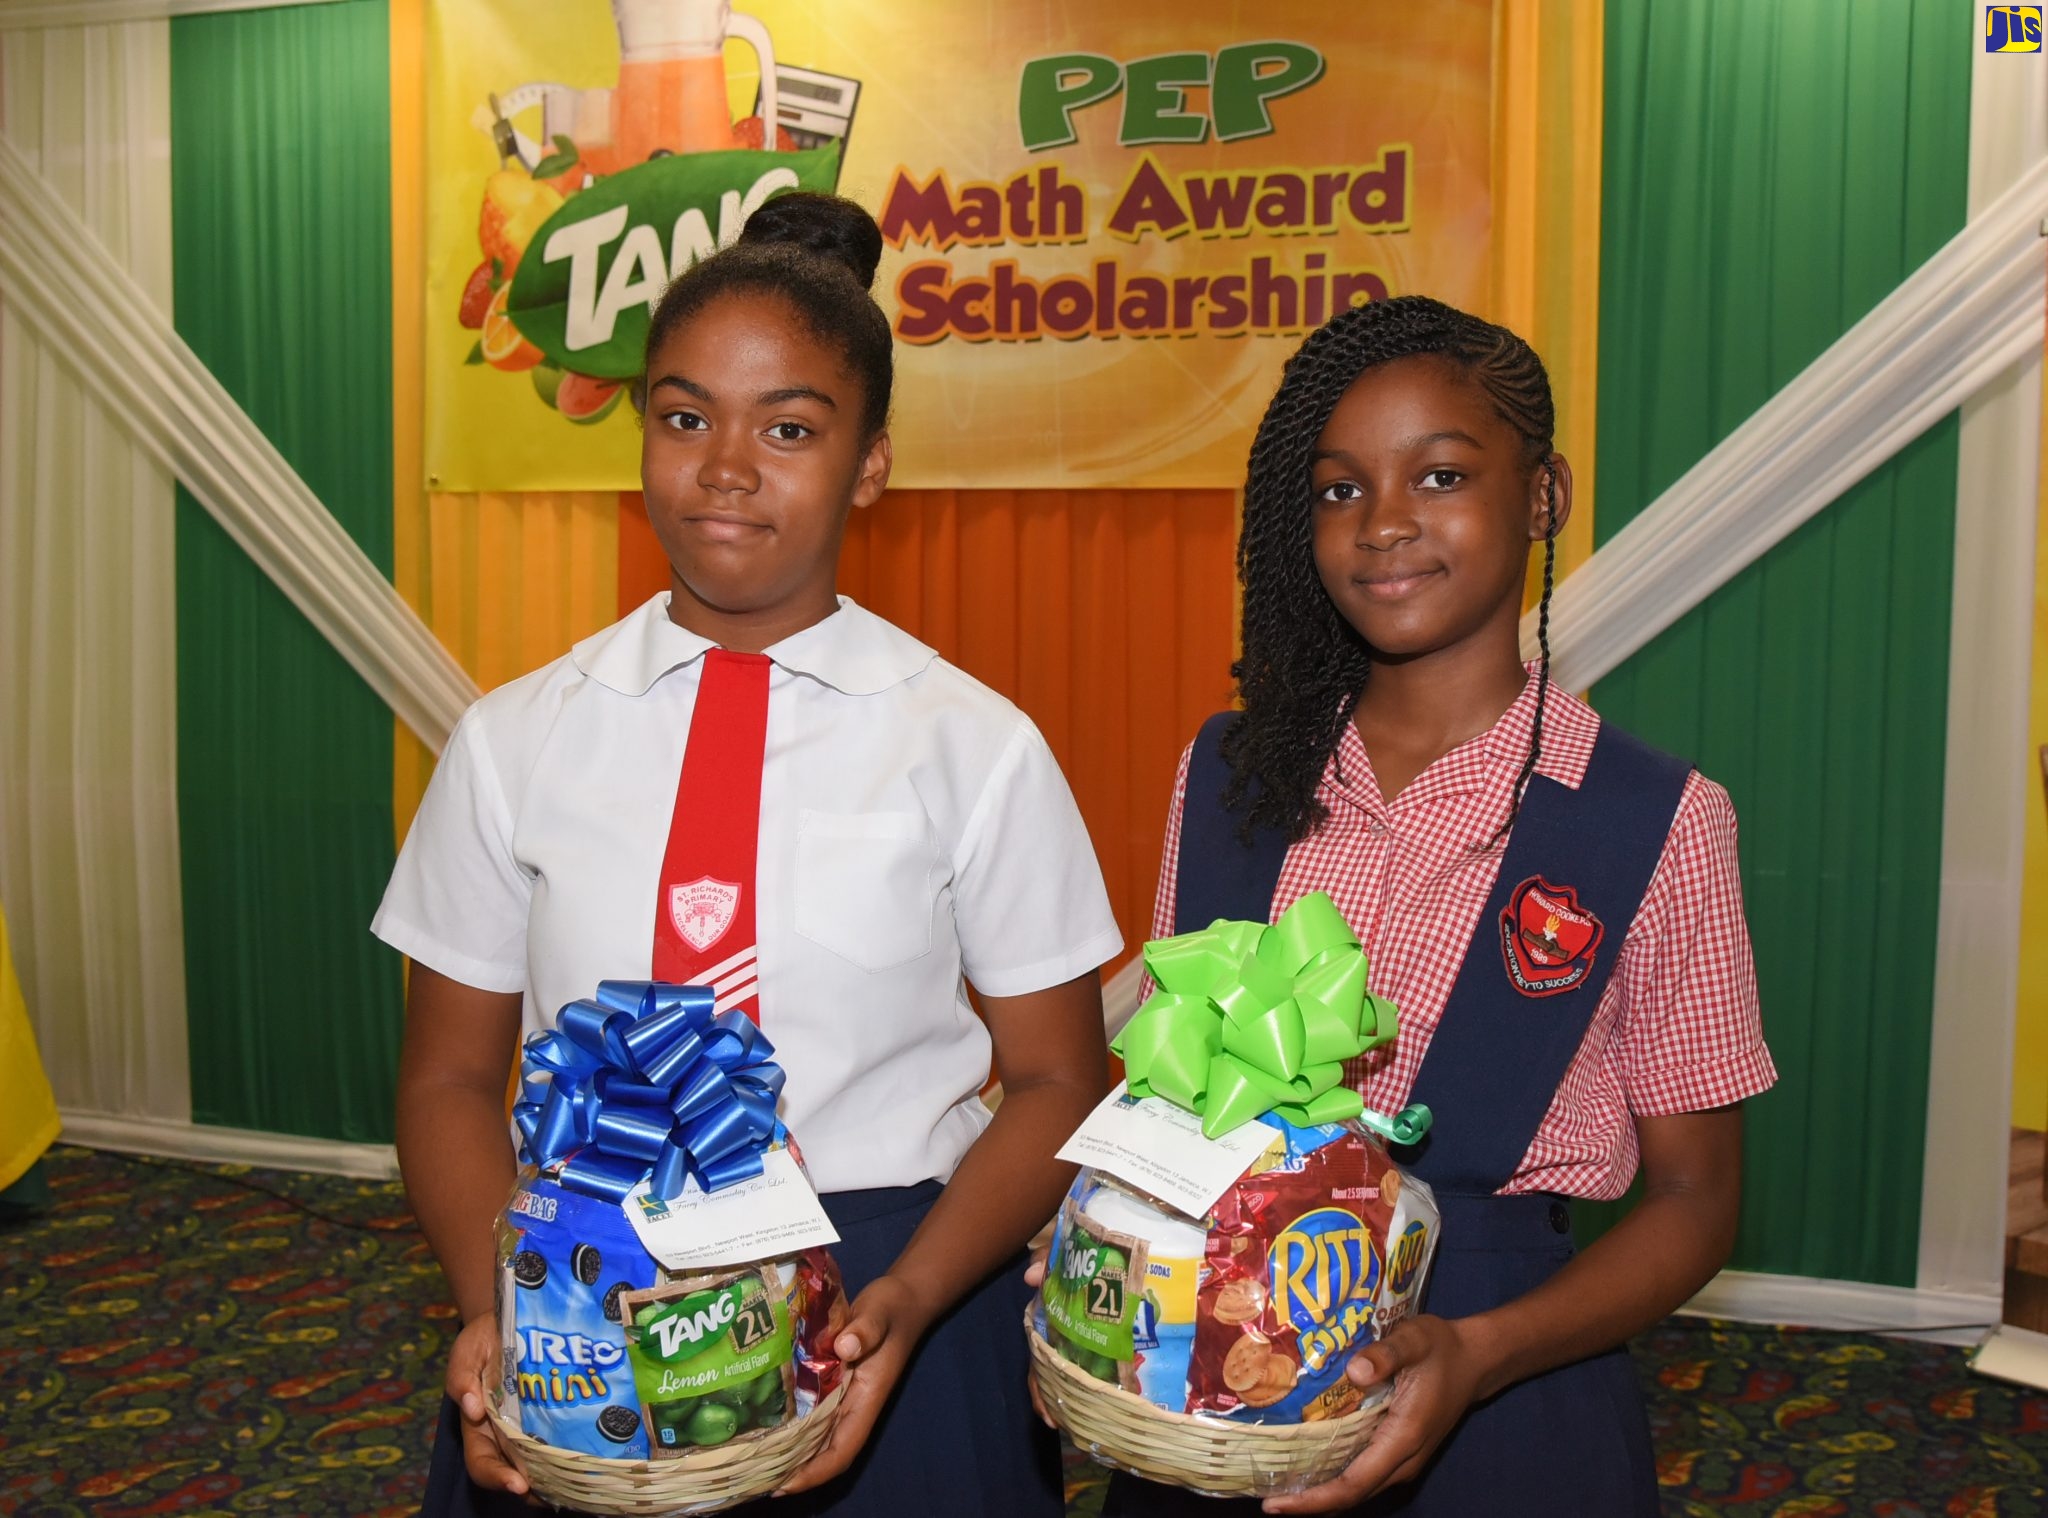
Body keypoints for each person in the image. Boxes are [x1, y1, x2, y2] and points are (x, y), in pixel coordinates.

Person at [376, 193, 1122, 1516]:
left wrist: (908, 1297)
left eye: (788, 428)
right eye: (683, 417)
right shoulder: (512, 739)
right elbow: (445, 1073)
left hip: (891, 1275)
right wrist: (507, 1293)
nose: (726, 467)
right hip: (585, 1281)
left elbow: (1064, 1075)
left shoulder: (976, 745)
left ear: (870, 464)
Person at [1096, 296, 1775, 1515]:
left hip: (1507, 1374)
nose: (1383, 526)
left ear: (1542, 496)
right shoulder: (1229, 775)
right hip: (1211, 1357)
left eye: (1441, 473)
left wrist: (1481, 1353)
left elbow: (1693, 1197)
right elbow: (1155, 1093)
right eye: (1339, 490)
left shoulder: (1654, 821)